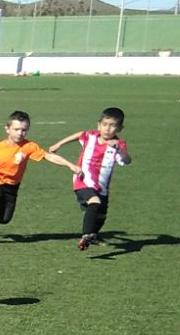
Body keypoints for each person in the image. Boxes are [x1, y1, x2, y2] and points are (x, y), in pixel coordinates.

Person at [0, 110, 78, 246]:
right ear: (7, 129)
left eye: (24, 130)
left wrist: (69, 164)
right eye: (16, 129)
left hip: (13, 186)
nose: (20, 133)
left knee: (4, 219)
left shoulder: (29, 146)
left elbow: (48, 156)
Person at [46, 107, 131, 251]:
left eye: (112, 125)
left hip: (102, 187)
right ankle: (86, 235)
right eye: (104, 124)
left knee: (101, 216)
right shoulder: (91, 137)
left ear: (119, 128)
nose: (107, 129)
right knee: (94, 202)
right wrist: (59, 144)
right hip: (83, 180)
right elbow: (79, 134)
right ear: (99, 125)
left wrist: (121, 150)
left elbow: (127, 161)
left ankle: (93, 235)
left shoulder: (119, 145)